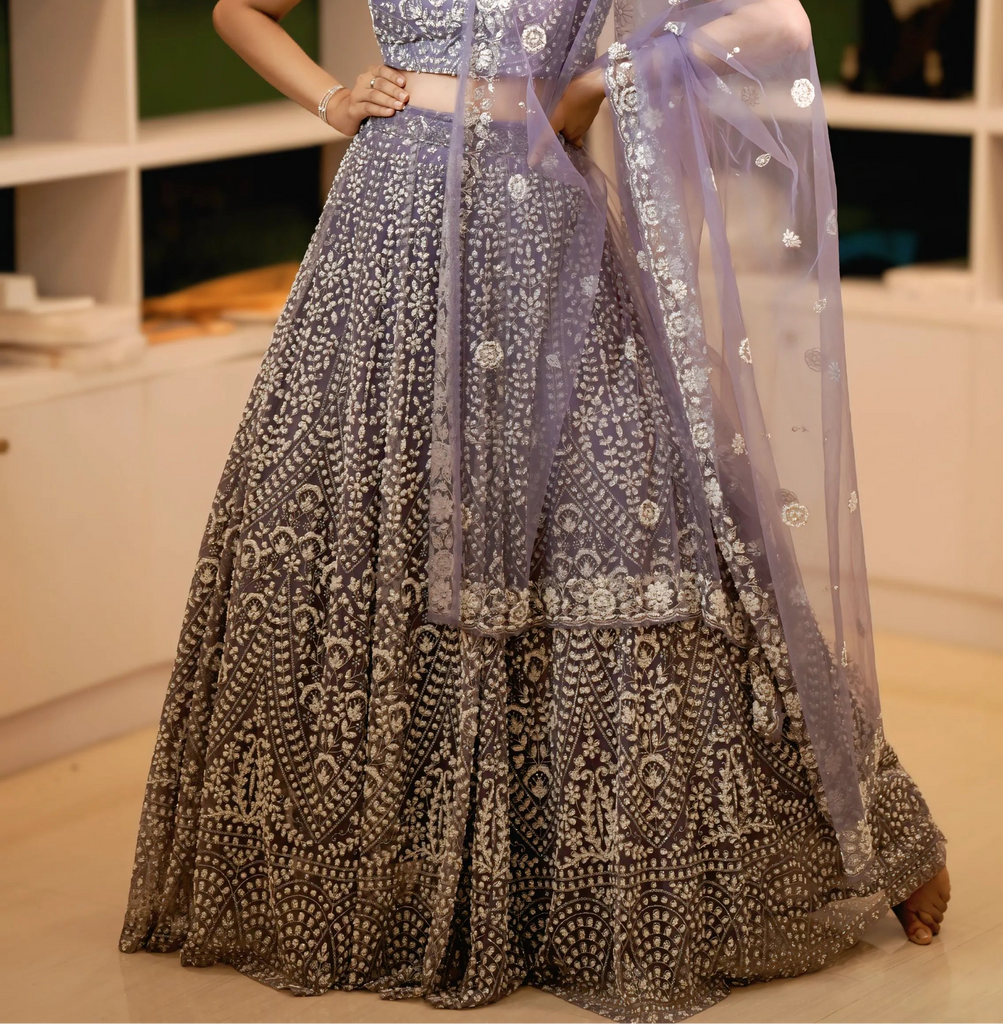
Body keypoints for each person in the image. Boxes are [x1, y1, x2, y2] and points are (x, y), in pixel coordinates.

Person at [119, 0, 950, 1019]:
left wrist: (599, 82)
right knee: (378, 533)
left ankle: (836, 841)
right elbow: (237, 8)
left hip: (546, 241)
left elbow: (768, 19)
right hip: (393, 233)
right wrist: (329, 97)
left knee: (640, 518)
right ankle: (379, 885)